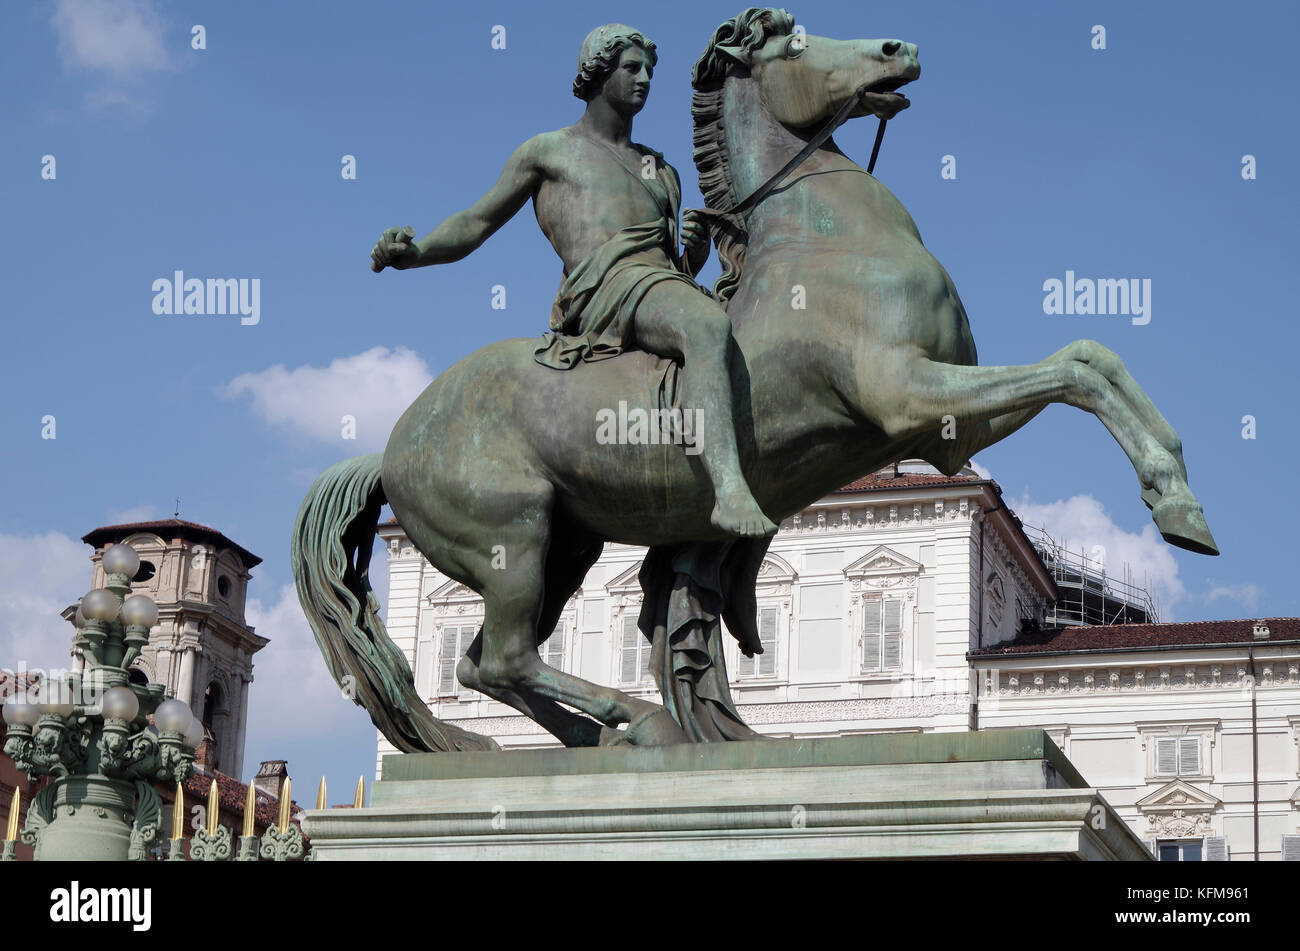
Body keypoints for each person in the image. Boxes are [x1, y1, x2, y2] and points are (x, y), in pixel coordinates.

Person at [370, 23, 775, 537]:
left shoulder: (661, 170)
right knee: (708, 329)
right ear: (597, 72)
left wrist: (690, 250)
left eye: (650, 69)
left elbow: (673, 269)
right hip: (606, 290)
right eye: (631, 68)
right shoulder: (549, 151)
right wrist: (417, 252)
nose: (645, 78)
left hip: (656, 287)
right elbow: (476, 222)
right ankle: (728, 491)